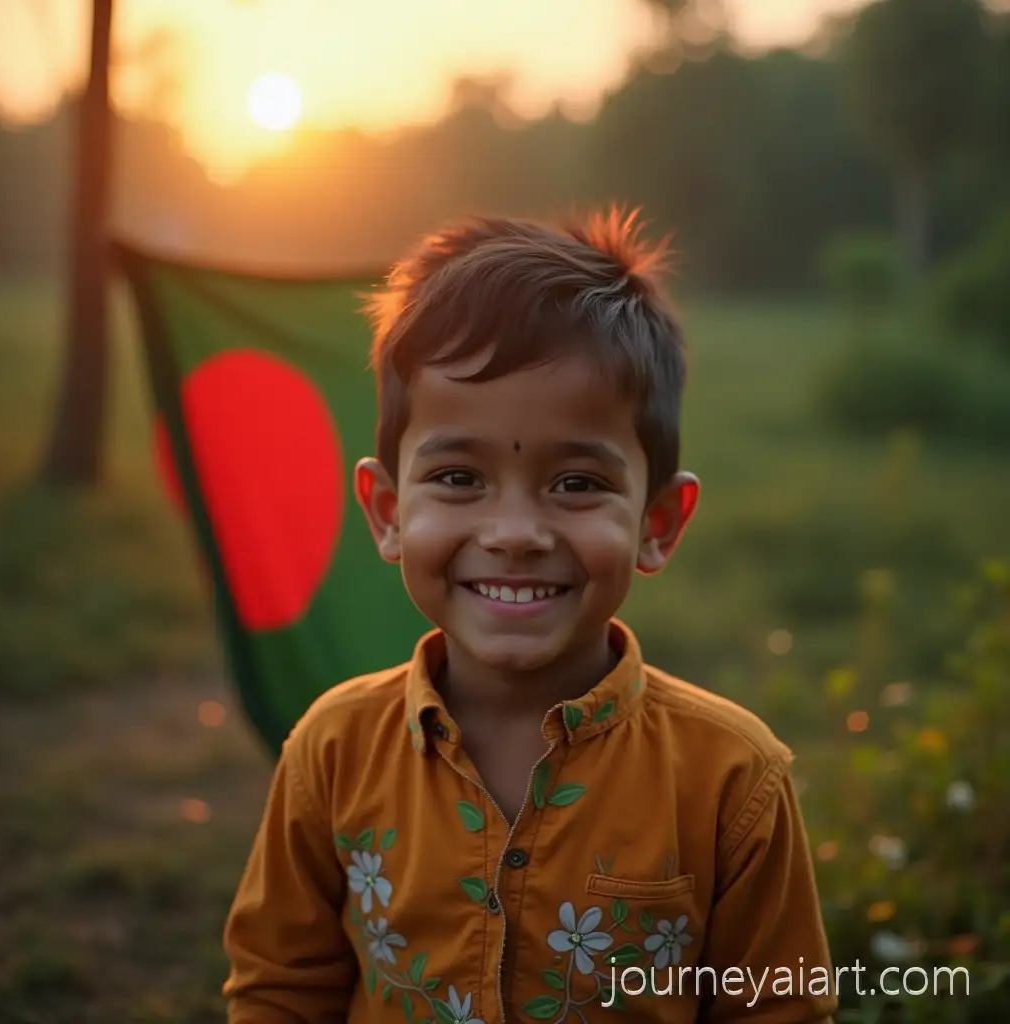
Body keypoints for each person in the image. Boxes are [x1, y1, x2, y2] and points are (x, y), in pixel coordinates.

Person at [222, 207, 838, 1023]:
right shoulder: (332, 754)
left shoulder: (731, 780)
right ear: (386, 510)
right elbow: (281, 988)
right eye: (458, 479)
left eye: (577, 483)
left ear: (658, 523)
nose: (514, 534)